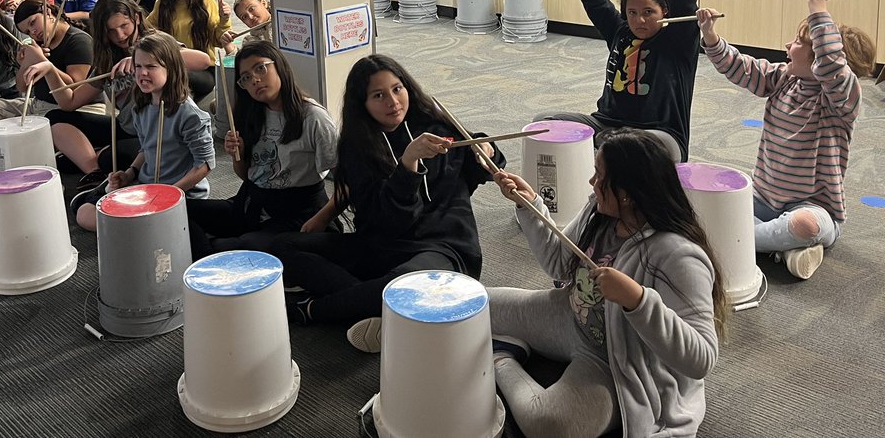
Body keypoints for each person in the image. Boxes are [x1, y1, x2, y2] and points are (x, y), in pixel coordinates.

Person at [488, 128, 725, 438]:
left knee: (547, 424)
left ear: (627, 192)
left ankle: (501, 358)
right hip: (567, 317)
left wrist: (638, 301)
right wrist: (530, 206)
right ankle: (517, 343)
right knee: (471, 306)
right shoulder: (600, 210)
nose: (592, 183)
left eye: (599, 177)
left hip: (618, 361)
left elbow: (702, 359)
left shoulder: (679, 256)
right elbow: (559, 263)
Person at [277, 55, 502, 353]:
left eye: (397, 89)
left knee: (405, 285)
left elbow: (481, 166)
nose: (393, 102)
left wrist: (486, 149)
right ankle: (380, 305)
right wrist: (408, 162)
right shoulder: (358, 146)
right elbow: (389, 221)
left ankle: (314, 309)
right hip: (384, 242)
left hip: (444, 248)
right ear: (363, 103)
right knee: (283, 248)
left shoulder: (434, 124)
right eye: (379, 95)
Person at [697, 0, 876, 280]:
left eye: (797, 43)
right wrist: (711, 37)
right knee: (713, 202)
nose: (787, 46)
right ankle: (779, 247)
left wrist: (816, 1)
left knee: (805, 226)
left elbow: (833, 65)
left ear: (819, 56)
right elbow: (742, 68)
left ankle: (736, 241)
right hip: (764, 198)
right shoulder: (785, 78)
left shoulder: (841, 99)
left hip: (812, 207)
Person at [33, 0, 214, 184]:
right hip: (125, 126)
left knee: (110, 158)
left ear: (136, 18)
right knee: (54, 118)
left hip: (155, 130)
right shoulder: (107, 57)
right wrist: (49, 69)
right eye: (111, 31)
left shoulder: (155, 42)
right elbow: (70, 102)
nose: (119, 35)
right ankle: (95, 171)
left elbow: (203, 61)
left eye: (124, 26)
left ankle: (93, 159)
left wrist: (140, 59)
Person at [545, 0, 698, 162]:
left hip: (659, 133)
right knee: (544, 124)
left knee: (641, 148)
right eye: (632, 13)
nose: (640, 21)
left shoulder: (678, 40)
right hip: (607, 125)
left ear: (665, 11)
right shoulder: (620, 31)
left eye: (649, 12)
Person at [186, 42, 338, 260]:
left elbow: (346, 182)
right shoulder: (252, 113)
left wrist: (322, 219)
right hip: (252, 203)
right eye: (245, 77)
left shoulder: (313, 117)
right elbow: (247, 175)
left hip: (297, 212)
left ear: (280, 67)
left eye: (260, 68)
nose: (255, 79)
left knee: (230, 246)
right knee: (182, 213)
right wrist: (237, 155)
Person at [73, 32, 215, 231]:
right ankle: (132, 220)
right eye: (138, 66)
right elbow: (147, 149)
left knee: (106, 218)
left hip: (181, 193)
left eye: (151, 67)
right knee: (83, 213)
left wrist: (171, 193)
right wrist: (130, 173)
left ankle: (135, 223)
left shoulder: (190, 115)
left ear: (171, 69)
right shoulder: (141, 107)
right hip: (146, 185)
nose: (142, 73)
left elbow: (205, 164)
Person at [0, 0, 94, 128]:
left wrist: (42, 61)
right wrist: (25, 63)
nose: (33, 33)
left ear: (47, 12)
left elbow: (75, 86)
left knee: (28, 132)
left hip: (69, 109)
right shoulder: (40, 44)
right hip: (38, 104)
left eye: (33, 23)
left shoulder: (79, 41)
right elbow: (22, 87)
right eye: (27, 32)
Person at [146, 0, 231, 93]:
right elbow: (148, 30)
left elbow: (218, 41)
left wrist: (224, 19)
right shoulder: (162, 3)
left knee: (175, 78)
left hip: (203, 68)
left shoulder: (206, 2)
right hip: (171, 64)